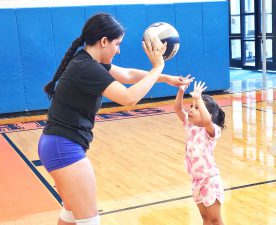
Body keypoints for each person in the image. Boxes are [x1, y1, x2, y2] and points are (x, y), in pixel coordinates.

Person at [38, 12, 192, 225]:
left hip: (56, 145)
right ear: (103, 41)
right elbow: (129, 98)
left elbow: (127, 75)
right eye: (117, 44)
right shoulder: (87, 68)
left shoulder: (87, 61)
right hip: (64, 147)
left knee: (71, 216)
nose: (118, 50)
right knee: (89, 221)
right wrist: (158, 67)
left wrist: (165, 78)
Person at [174, 79, 225, 225]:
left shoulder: (211, 131)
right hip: (196, 180)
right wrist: (181, 90)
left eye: (196, 108)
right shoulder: (190, 126)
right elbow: (178, 109)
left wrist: (198, 98)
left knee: (215, 220)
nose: (191, 110)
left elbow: (207, 120)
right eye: (192, 106)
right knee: (206, 219)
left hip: (209, 180)